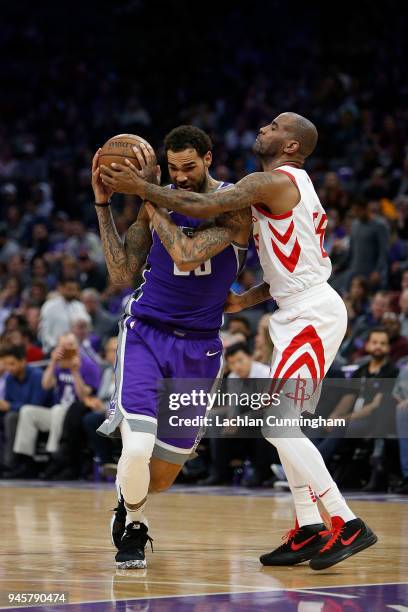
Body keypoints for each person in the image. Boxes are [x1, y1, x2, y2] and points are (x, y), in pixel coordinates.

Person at [102, 112, 378, 570]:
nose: (263, 128)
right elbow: (288, 271)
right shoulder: (277, 189)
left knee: (278, 424)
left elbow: (205, 207)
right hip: (292, 311)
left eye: (274, 126)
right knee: (280, 425)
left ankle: (346, 523)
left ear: (291, 146)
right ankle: (309, 527)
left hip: (311, 314)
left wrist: (141, 188)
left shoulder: (273, 182)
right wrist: (245, 299)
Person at [93, 125, 252, 568]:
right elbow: (123, 274)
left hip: (198, 350)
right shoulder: (155, 201)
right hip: (145, 332)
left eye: (190, 167)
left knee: (158, 478)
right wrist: (103, 204)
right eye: (173, 169)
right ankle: (134, 527)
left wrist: (147, 195)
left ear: (208, 159)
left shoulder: (234, 208)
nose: (180, 177)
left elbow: (186, 253)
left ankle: (132, 499)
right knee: (137, 449)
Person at [0, 344, 51, 476]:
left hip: (39, 416)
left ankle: (11, 464)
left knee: (11, 417)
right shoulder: (10, 378)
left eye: (12, 364)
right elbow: (8, 400)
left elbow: (35, 405)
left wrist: (10, 406)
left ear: (23, 362)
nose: (9, 368)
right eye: (6, 365)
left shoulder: (37, 375)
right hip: (17, 413)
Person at [38, 278, 88, 353]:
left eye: (75, 289)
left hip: (76, 350)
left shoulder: (80, 306)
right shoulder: (49, 306)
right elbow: (43, 333)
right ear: (61, 288)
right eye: (69, 289)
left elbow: (86, 329)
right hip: (54, 349)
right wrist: (55, 346)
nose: (72, 292)